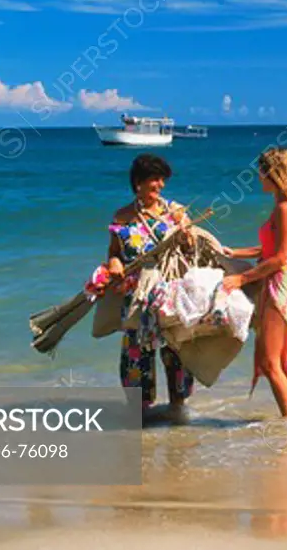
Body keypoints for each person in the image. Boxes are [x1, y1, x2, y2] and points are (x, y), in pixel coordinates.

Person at [102, 154, 195, 424]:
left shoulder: (175, 212)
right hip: (137, 294)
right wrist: (114, 265)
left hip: (170, 292)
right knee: (136, 354)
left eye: (163, 179)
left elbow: (190, 251)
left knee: (175, 350)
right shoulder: (122, 217)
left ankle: (178, 413)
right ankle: (141, 416)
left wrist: (187, 237)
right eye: (155, 179)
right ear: (138, 182)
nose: (161, 184)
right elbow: (114, 253)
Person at [221, 147, 287, 420]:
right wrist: (235, 253)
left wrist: (241, 278)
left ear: (273, 173)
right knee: (283, 361)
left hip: (281, 284)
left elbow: (280, 258)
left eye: (261, 171)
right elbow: (273, 249)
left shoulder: (284, 207)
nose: (258, 177)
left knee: (271, 363)